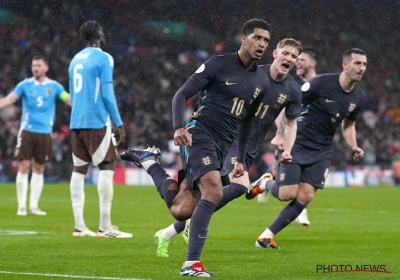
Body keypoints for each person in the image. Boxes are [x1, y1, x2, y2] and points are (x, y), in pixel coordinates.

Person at [121, 38, 302, 256]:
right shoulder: (255, 74)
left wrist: (283, 139)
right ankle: (192, 260)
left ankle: (165, 219)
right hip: (225, 138)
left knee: (186, 205)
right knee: (235, 187)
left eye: (293, 56)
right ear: (276, 53)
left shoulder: (292, 89)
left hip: (249, 146)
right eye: (286, 53)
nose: (289, 59)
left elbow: (287, 120)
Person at [247, 48, 367, 249]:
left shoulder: (359, 97)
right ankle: (266, 182)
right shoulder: (320, 84)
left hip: (321, 150)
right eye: (357, 63)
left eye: (364, 64)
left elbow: (348, 125)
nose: (361, 68)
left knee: (306, 196)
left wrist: (354, 146)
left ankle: (266, 236)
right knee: (286, 194)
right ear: (345, 65)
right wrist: (280, 133)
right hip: (298, 143)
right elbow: (288, 106)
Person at [68, 21, 131, 238]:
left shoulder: (75, 60)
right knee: (106, 165)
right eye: (102, 32)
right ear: (97, 34)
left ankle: (79, 226)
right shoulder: (104, 57)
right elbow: (107, 93)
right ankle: (105, 226)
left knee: (79, 170)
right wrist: (119, 122)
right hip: (96, 121)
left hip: (76, 121)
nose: (104, 35)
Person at [0, 55, 71, 216]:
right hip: (27, 131)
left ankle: (33, 206)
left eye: (38, 65)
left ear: (46, 68)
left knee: (39, 168)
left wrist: (84, 108)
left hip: (45, 132)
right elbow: (9, 99)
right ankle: (21, 206)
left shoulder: (54, 87)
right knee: (23, 166)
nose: (35, 68)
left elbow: (68, 99)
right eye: (33, 66)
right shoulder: (25, 85)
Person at [265, 47, 319, 226]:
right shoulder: (291, 82)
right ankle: (266, 182)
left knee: (307, 179)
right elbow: (280, 109)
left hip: (311, 139)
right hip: (291, 133)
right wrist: (281, 133)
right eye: (297, 59)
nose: (297, 63)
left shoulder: (320, 84)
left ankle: (301, 211)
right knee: (283, 182)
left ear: (313, 63)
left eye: (301, 59)